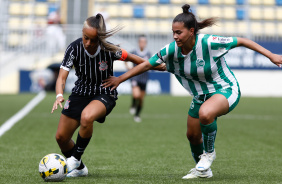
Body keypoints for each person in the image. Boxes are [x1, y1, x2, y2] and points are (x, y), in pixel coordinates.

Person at [103, 4, 282, 179]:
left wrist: (271, 56)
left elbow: (243, 40)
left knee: (206, 114)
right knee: (192, 135)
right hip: (199, 96)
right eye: (173, 32)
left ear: (191, 31)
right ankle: (202, 169)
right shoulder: (170, 51)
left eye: (178, 32)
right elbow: (147, 64)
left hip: (225, 89)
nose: (175, 36)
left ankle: (209, 154)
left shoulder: (209, 43)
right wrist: (120, 79)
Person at [51, 14, 164, 178]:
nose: (88, 43)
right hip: (80, 93)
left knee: (86, 117)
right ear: (82, 33)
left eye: (93, 40)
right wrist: (59, 95)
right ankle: (80, 168)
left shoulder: (110, 49)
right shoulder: (73, 48)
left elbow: (137, 60)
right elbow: (62, 76)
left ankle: (74, 159)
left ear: (100, 39)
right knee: (61, 137)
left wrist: (161, 67)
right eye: (85, 38)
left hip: (105, 92)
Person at [125, 35, 151, 122]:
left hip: (144, 78)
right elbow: (125, 58)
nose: (142, 44)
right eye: (141, 42)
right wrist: (128, 68)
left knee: (141, 99)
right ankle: (133, 104)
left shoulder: (148, 54)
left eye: (144, 42)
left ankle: (137, 114)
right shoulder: (134, 52)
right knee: (136, 95)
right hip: (135, 77)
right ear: (138, 43)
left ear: (146, 43)